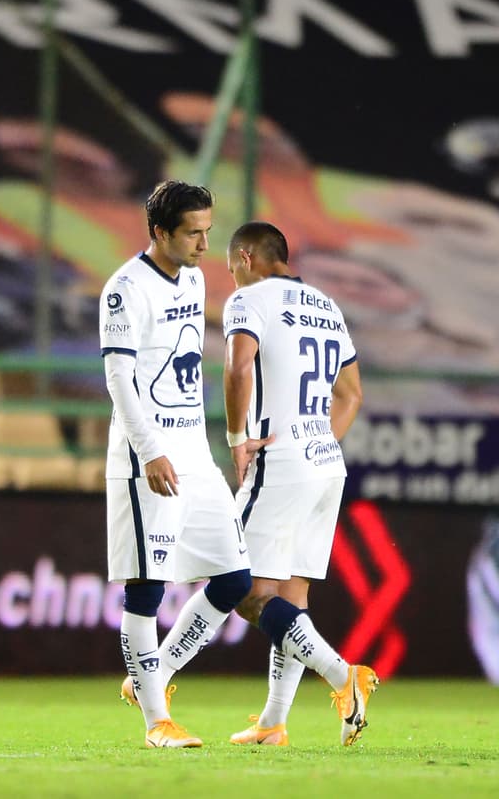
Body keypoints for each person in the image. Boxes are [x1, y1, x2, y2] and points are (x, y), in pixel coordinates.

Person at [99, 180, 252, 749]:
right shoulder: (124, 290)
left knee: (235, 577)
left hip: (194, 452)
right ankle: (156, 723)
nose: (204, 245)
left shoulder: (191, 277)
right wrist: (149, 450)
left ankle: (151, 677)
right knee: (146, 590)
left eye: (208, 232)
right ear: (160, 231)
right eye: (193, 233)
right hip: (149, 457)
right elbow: (119, 378)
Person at [220, 221, 376, 747]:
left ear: (245, 258)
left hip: (280, 462)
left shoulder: (250, 300)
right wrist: (317, 442)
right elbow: (351, 395)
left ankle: (341, 675)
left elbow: (239, 368)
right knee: (293, 596)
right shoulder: (327, 306)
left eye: (231, 270)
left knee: (241, 589)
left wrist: (238, 437)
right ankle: (273, 721)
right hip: (325, 463)